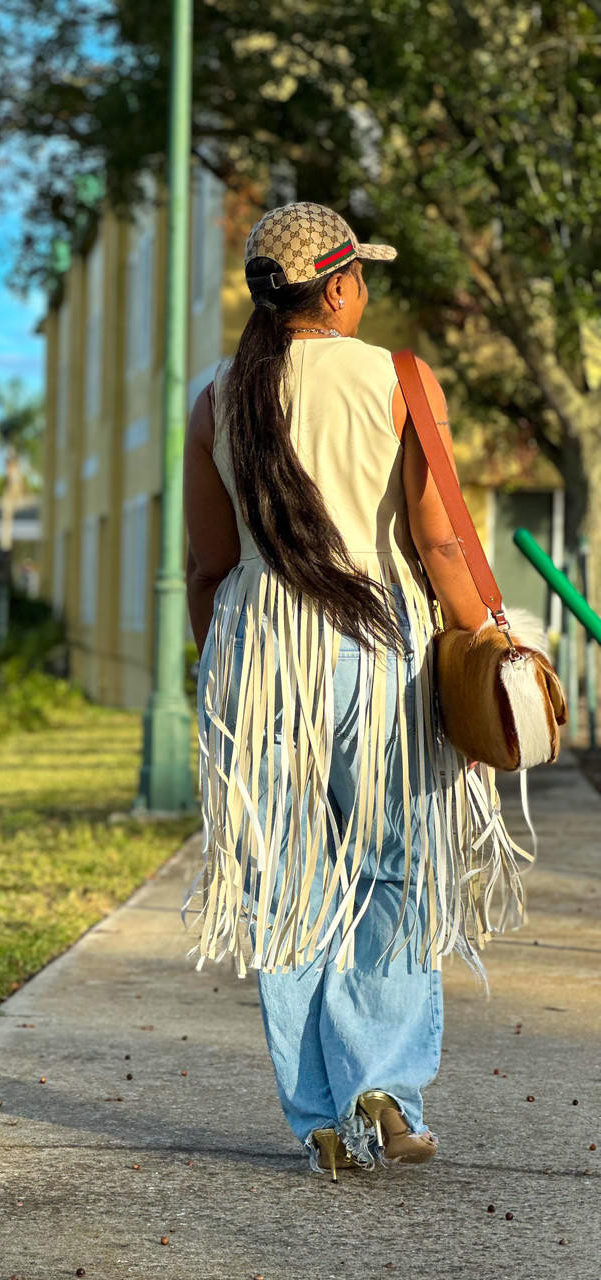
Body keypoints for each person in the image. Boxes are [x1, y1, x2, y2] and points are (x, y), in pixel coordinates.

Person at [181, 202, 530, 1180]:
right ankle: (382, 1079)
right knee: (398, 866)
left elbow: (208, 567)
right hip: (377, 645)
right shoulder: (399, 379)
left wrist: (227, 671)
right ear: (337, 288)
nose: (367, 295)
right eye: (363, 278)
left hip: (255, 653)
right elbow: (442, 541)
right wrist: (483, 641)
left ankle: (323, 1119)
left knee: (288, 886)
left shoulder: (217, 397)